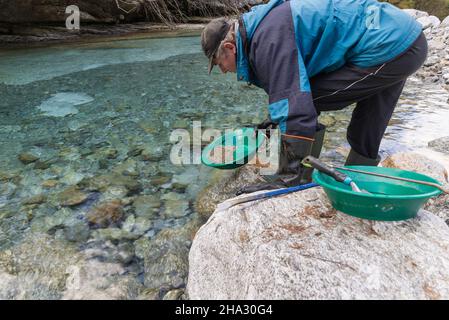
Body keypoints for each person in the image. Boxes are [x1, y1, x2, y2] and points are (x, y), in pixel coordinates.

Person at [201, 0, 428, 194]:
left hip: (389, 44)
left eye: (219, 64)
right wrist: (273, 122)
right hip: (404, 37)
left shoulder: (268, 40)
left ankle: (295, 177)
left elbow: (296, 106)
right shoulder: (264, 29)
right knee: (371, 116)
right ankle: (359, 180)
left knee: (305, 101)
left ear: (230, 47)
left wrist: (284, 178)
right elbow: (296, 81)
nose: (222, 70)